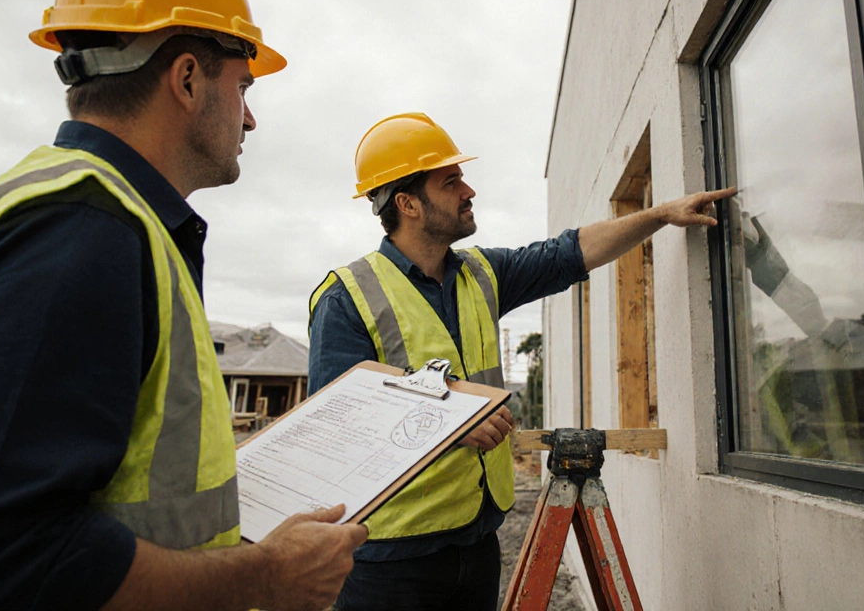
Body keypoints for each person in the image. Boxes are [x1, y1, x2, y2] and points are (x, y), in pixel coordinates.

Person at [0, 0, 366, 611]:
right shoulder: (82, 233)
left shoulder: (91, 219)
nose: (251, 118)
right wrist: (265, 576)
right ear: (186, 78)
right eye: (243, 84)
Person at [308, 112, 733, 610]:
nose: (468, 191)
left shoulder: (481, 274)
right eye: (451, 182)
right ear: (407, 203)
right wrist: (448, 424)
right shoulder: (348, 296)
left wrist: (659, 216)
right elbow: (336, 423)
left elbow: (569, 253)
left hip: (478, 542)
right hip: (391, 561)